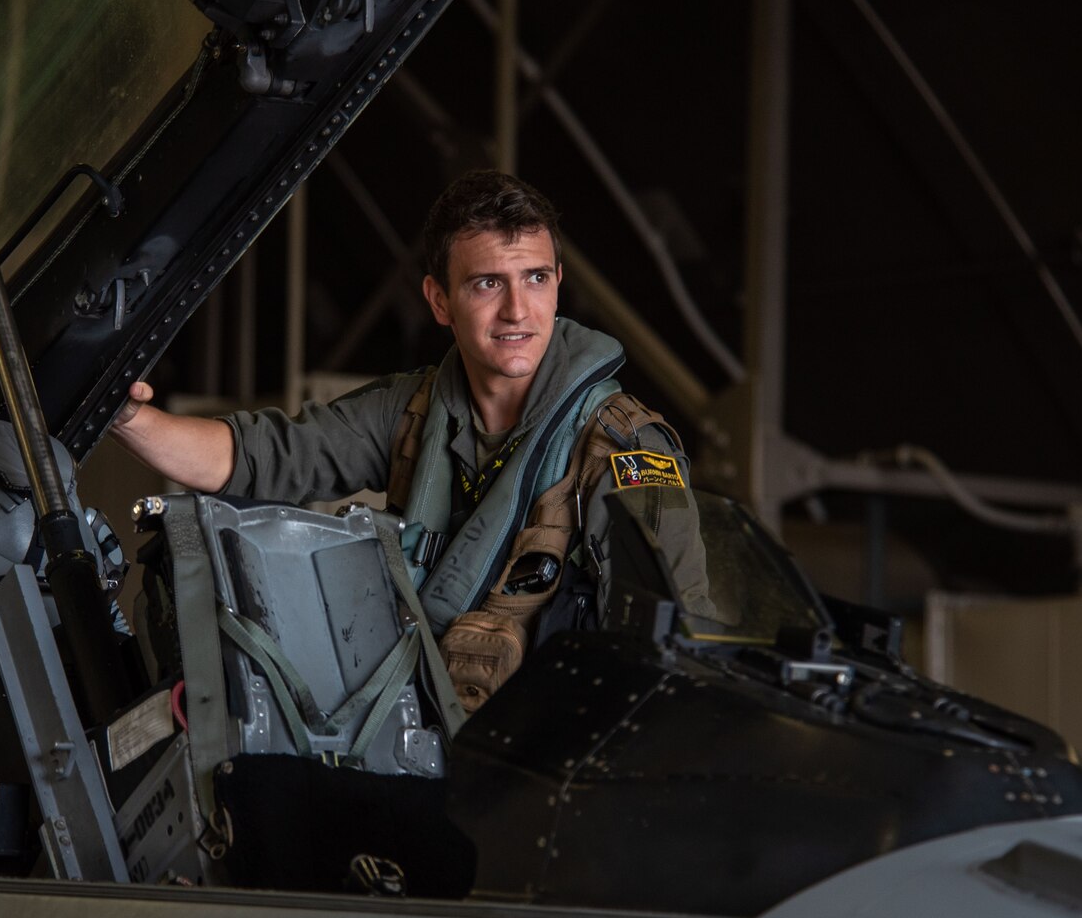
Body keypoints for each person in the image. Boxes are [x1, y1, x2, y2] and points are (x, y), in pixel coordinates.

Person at [111, 170, 687, 709]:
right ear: (440, 301)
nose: (518, 310)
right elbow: (257, 456)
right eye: (488, 283)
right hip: (422, 713)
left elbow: (676, 636)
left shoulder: (623, 446)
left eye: (535, 278)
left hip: (547, 743)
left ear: (558, 284)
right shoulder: (412, 411)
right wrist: (130, 418)